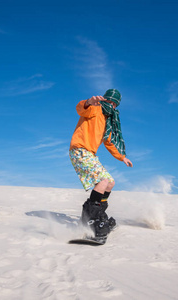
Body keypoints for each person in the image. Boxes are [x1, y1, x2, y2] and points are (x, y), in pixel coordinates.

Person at [69, 89, 133, 238]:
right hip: (79, 150)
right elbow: (81, 109)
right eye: (108, 101)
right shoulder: (95, 108)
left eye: (113, 104)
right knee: (103, 181)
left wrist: (122, 157)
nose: (110, 105)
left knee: (110, 182)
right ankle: (89, 219)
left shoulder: (107, 121)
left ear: (116, 106)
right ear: (104, 100)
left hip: (90, 154)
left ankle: (98, 214)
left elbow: (109, 142)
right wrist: (88, 102)